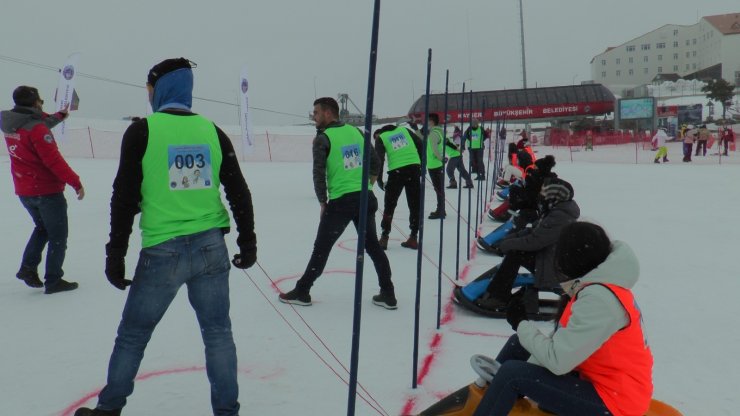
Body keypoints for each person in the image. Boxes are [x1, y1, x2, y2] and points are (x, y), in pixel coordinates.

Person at [74, 58, 257, 416]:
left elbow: (124, 197)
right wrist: (248, 240)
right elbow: (239, 190)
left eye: (149, 87)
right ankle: (227, 411)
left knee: (133, 335)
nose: (148, 94)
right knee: (218, 333)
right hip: (210, 248)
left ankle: (109, 409)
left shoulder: (143, 131)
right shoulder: (212, 131)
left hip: (163, 251)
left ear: (160, 88)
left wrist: (116, 253)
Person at [472, 222, 653, 416]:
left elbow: (558, 361)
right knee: (518, 345)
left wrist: (520, 323)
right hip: (599, 381)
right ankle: (494, 402)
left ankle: (495, 403)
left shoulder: (599, 300)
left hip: (616, 402)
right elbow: (563, 347)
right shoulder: (596, 288)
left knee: (511, 375)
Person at [278, 97, 396, 309]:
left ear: (328, 113)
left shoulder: (324, 138)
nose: (313, 116)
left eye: (316, 112)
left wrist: (323, 202)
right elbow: (376, 162)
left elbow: (318, 173)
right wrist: (368, 184)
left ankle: (302, 291)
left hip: (342, 202)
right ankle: (388, 293)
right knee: (373, 248)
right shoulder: (355, 132)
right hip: (365, 199)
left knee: (321, 249)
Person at [1, 85, 84, 294]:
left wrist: (59, 116)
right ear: (35, 102)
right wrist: (76, 182)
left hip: (25, 190)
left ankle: (28, 268)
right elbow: (53, 161)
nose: (42, 103)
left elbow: (38, 122)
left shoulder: (12, 124)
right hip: (46, 192)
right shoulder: (37, 129)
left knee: (42, 229)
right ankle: (54, 280)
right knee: (58, 235)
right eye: (40, 100)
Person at [477, 177, 580, 310]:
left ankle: (499, 297)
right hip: (549, 258)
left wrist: (508, 245)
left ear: (554, 196)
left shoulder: (560, 216)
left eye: (544, 193)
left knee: (515, 254)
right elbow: (532, 230)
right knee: (515, 252)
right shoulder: (556, 210)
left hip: (555, 268)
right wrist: (509, 240)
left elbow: (535, 241)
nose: (541, 196)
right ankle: (497, 293)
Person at [374, 123, 423, 250]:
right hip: (414, 168)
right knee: (414, 204)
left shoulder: (381, 137)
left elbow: (379, 159)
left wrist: (378, 179)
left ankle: (384, 237)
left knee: (389, 205)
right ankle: (413, 237)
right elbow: (421, 144)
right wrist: (422, 165)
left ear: (378, 134)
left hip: (397, 172)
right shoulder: (404, 130)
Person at [427, 113, 447, 219]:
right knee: (439, 189)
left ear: (432, 121)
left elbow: (435, 150)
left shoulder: (433, 134)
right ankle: (441, 209)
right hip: (436, 164)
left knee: (438, 189)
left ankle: (440, 211)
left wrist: (441, 158)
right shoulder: (438, 132)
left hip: (434, 165)